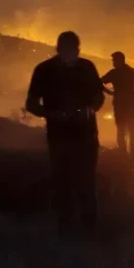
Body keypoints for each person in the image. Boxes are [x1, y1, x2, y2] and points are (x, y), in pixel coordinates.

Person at [25, 31, 105, 235]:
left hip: (86, 136)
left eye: (74, 51)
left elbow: (98, 97)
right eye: (66, 51)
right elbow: (31, 103)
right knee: (63, 183)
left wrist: (90, 109)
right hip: (59, 137)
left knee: (86, 183)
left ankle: (89, 232)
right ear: (58, 49)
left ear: (78, 50)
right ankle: (66, 231)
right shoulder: (45, 70)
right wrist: (53, 114)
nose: (70, 55)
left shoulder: (87, 67)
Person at [101, 52, 134, 158]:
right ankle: (133, 156)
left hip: (119, 105)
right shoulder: (131, 72)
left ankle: (123, 154)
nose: (113, 63)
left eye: (114, 60)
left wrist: (110, 92)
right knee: (133, 130)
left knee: (121, 130)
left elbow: (98, 82)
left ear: (119, 60)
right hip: (131, 104)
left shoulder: (114, 73)